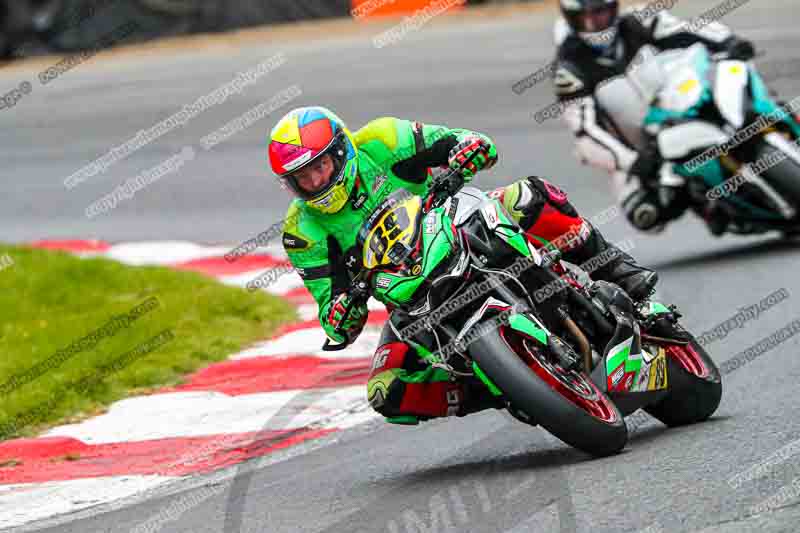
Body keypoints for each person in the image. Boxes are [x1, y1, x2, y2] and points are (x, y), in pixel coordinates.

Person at [269, 106, 657, 423]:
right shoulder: (302, 232)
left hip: (457, 226)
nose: (315, 182)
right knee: (386, 390)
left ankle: (616, 269)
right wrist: (342, 313)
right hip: (408, 296)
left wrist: (467, 150)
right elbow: (332, 313)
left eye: (320, 167)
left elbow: (466, 141)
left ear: (342, 151)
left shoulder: (381, 139)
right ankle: (504, 386)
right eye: (302, 178)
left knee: (526, 196)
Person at [552, 0, 756, 233]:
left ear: (613, 8)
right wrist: (632, 161)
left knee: (737, 82)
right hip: (643, 149)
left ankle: (776, 123)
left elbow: (688, 29)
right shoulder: (569, 70)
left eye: (599, 12)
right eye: (583, 18)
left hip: (682, 103)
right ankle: (709, 206)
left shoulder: (640, 21)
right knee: (646, 215)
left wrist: (729, 41)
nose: (593, 23)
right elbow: (585, 131)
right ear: (570, 19)